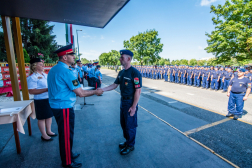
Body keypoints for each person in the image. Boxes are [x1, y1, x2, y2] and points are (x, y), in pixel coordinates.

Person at [48, 44, 103, 168]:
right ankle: (67, 162)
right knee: (66, 135)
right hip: (64, 107)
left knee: (65, 133)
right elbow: (80, 93)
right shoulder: (67, 72)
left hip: (57, 106)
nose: (74, 57)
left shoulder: (54, 69)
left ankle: (69, 154)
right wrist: (96, 91)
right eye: (71, 55)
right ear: (65, 57)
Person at [98, 49, 141, 155]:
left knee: (130, 125)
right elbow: (114, 85)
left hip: (130, 102)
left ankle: (130, 145)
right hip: (123, 102)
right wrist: (102, 89)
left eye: (122, 57)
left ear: (129, 59)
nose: (120, 59)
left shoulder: (135, 73)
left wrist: (134, 106)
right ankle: (127, 141)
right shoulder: (121, 72)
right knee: (123, 124)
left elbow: (138, 90)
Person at [27, 58, 56, 141]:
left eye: (42, 64)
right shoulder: (32, 77)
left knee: (49, 116)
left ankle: (49, 131)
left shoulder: (45, 75)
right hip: (40, 100)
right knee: (42, 118)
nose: (43, 65)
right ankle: (44, 135)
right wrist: (46, 89)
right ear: (34, 66)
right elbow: (31, 91)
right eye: (40, 64)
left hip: (48, 98)